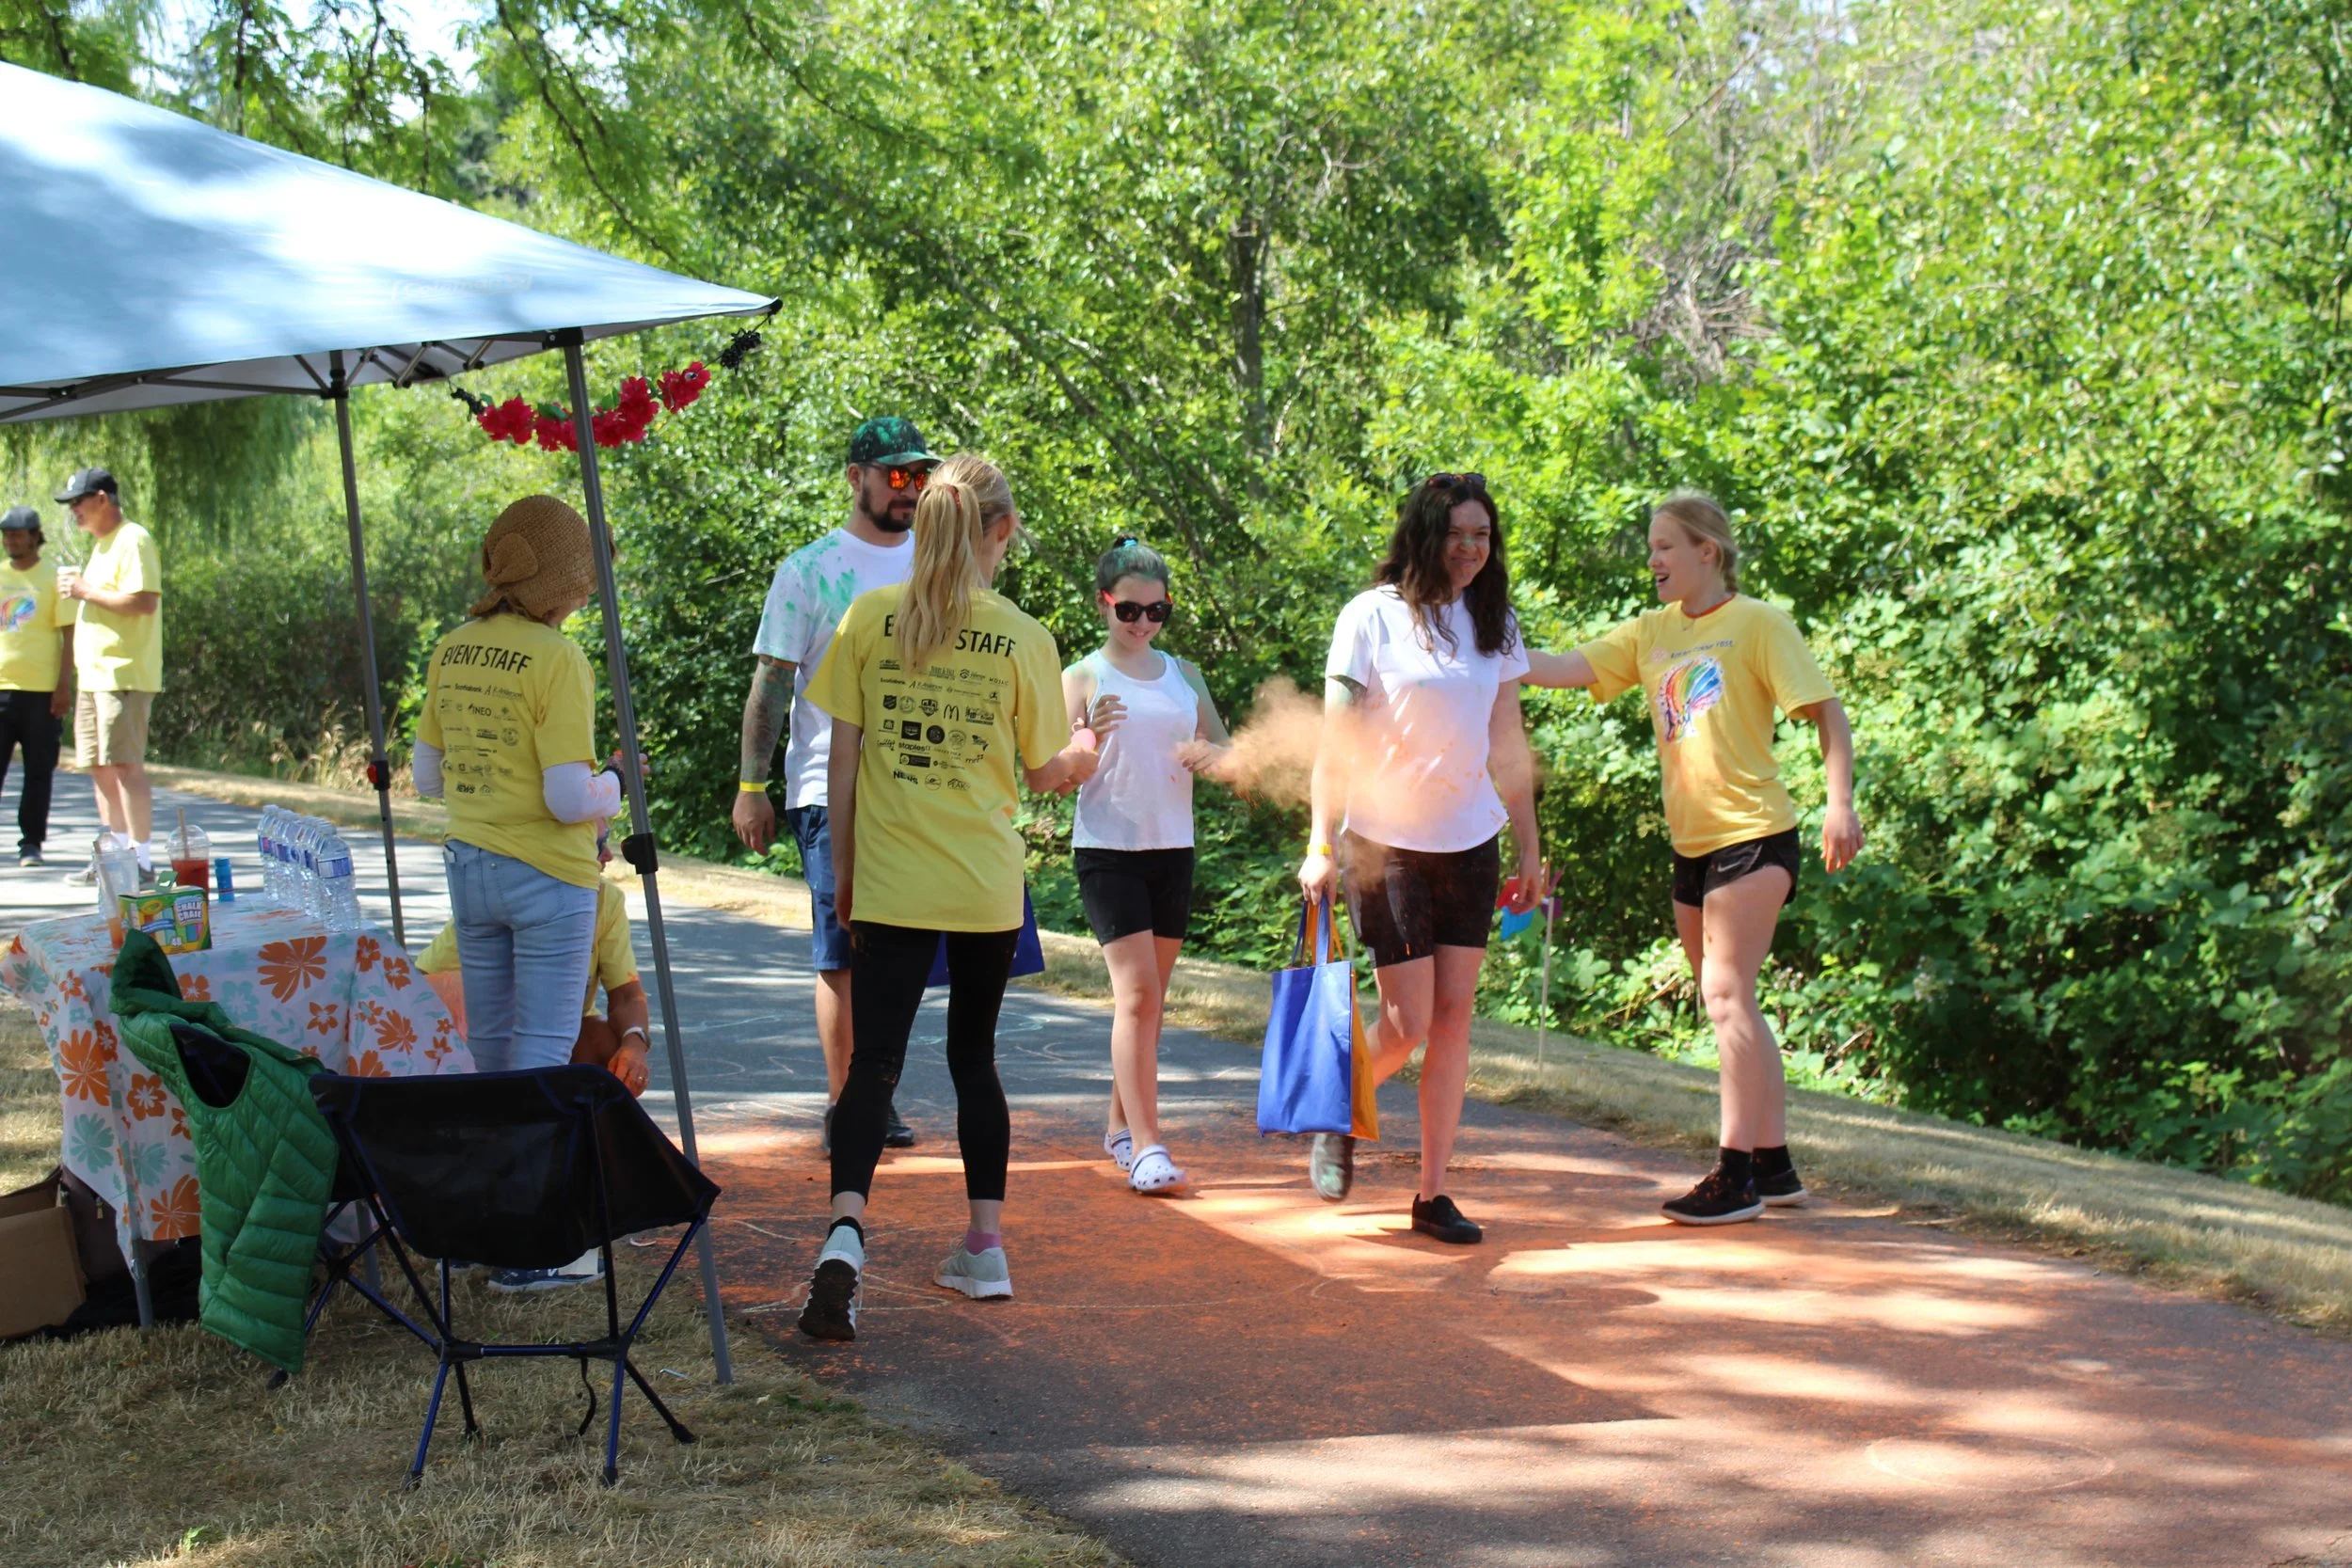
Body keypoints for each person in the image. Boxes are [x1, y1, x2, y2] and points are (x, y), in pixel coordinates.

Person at [795, 452, 1101, 1341]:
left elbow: (839, 761)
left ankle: (844, 1237)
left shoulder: (868, 616)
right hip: (984, 887)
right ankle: (984, 1248)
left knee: (874, 1065)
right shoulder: (1023, 636)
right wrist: (1088, 750)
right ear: (998, 531)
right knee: (974, 1057)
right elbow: (1048, 773)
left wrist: (846, 875)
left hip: (890, 881)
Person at [1523, 490, 1862, 1225]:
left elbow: (1826, 713)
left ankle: (1733, 1174)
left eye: (1666, 546)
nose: (1653, 559)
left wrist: (1841, 802)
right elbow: (1559, 668)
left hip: (1755, 833)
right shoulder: (1651, 632)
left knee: (1725, 994)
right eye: (1652, 547)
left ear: (1709, 551)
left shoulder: (1760, 623)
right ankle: (1773, 1166)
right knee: (1734, 1005)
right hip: (1692, 846)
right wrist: (1485, 638)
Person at [1298, 472, 1544, 1245]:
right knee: (1403, 1024)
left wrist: (1529, 845)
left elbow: (1508, 741)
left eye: (1484, 535)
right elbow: (1335, 741)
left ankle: (1432, 1193)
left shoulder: (1493, 621)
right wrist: (1318, 840)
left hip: (1470, 842)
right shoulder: (1369, 617)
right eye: (1459, 533)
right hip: (1386, 841)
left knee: (1454, 1017)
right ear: (1425, 533)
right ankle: (1340, 1113)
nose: (1472, 549)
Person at [411, 494, 623, 1290]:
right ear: (562, 582)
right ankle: (534, 1245)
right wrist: (613, 783)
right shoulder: (558, 658)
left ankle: (480, 1224)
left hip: (471, 866)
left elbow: (428, 776)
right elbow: (571, 798)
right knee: (542, 1049)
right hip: (549, 878)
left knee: (490, 1052)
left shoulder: (453, 648)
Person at [735, 417, 934, 1155]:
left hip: (917, 784)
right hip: (828, 786)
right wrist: (752, 784)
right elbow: (772, 685)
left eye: (920, 477)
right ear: (856, 477)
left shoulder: (934, 564)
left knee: (898, 949)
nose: (910, 490)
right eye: (896, 475)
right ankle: (848, 1103)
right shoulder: (809, 570)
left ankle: (876, 1089)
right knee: (845, 948)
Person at [1062, 535, 1232, 1195]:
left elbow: (1224, 750)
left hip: (1172, 847)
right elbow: (1054, 765)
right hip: (1107, 848)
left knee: (1150, 1005)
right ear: (1104, 603)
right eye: (1129, 610)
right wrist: (1089, 736)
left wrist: (1210, 757)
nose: (1141, 624)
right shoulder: (1082, 675)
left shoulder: (1185, 674)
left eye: (1156, 611)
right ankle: (1149, 1147)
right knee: (1135, 997)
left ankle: (1119, 1129)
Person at [418, 837, 653, 1101]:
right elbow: (419, 989)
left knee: (603, 1044)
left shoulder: (605, 901)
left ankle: (585, 1139)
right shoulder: (507, 898)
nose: (609, 856)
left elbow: (627, 995)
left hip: (559, 1034)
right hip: (487, 1038)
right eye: (597, 844)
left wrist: (634, 1043)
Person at [53, 468, 160, 882]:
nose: (73, 511)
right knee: (98, 766)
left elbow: (144, 602)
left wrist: (84, 591)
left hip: (124, 673)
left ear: (102, 498)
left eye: (77, 502)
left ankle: (143, 861)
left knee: (125, 764)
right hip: (93, 676)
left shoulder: (134, 539)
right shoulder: (101, 547)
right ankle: (113, 860)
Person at [0, 506, 72, 867]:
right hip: (1, 687)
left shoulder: (54, 578)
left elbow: (68, 633)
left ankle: (31, 843)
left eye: (17, 534)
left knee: (38, 770)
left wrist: (64, 685)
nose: (10, 540)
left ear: (34, 536)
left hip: (41, 692)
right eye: (6, 535)